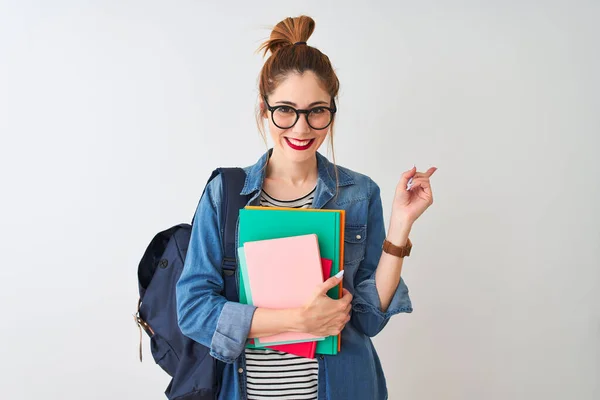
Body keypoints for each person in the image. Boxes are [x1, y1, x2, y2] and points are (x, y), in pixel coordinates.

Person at [176, 15, 437, 400]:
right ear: (265, 110)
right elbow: (194, 310)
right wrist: (297, 320)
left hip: (344, 387)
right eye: (286, 110)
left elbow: (368, 318)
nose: (301, 128)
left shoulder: (359, 192)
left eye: (317, 111)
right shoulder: (226, 194)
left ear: (332, 111)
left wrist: (401, 226)